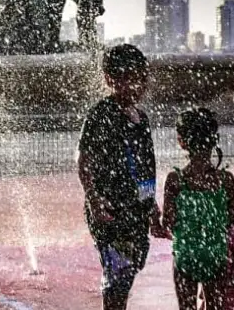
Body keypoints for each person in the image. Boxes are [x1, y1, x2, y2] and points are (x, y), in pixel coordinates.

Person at [77, 44, 165, 310]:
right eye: (127, 78)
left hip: (136, 209)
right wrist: (93, 198)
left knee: (129, 268)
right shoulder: (102, 114)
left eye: (140, 77)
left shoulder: (142, 118)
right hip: (110, 208)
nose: (136, 85)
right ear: (110, 80)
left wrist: (151, 206)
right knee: (118, 273)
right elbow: (84, 159)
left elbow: (145, 165)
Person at [162, 109, 234, 310]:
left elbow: (168, 221)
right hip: (216, 255)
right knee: (214, 306)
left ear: (182, 142)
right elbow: (230, 218)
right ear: (214, 140)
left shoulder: (176, 180)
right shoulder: (226, 179)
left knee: (187, 307)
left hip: (186, 256)